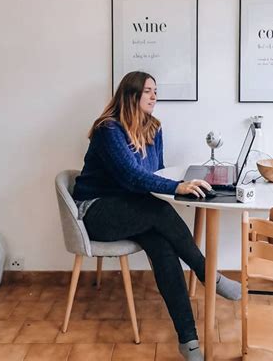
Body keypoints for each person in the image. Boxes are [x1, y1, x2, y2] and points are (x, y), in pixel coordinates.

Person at [72, 71, 241, 361]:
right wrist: (178, 187)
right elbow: (132, 177)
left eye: (155, 91)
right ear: (131, 94)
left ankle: (188, 343)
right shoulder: (108, 130)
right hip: (96, 211)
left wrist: (177, 184)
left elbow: (155, 172)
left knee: (163, 247)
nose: (154, 96)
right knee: (160, 210)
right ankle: (206, 273)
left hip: (132, 211)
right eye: (148, 91)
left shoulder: (154, 128)